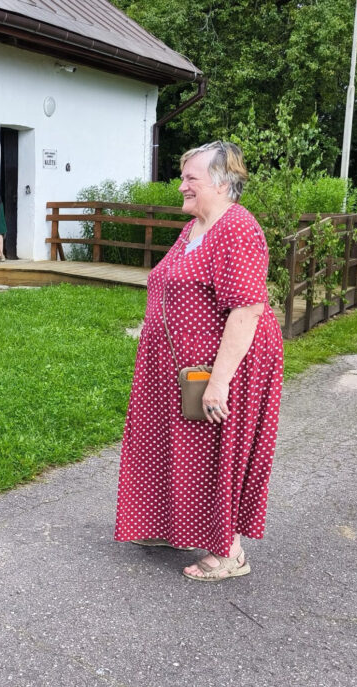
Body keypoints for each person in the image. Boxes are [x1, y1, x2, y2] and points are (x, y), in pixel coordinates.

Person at [113, 141, 284, 582]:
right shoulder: (196, 227)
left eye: (191, 178)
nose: (181, 186)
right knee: (178, 446)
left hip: (219, 368)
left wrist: (219, 382)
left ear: (222, 184)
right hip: (181, 368)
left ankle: (230, 553)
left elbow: (247, 310)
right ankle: (173, 525)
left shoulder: (237, 228)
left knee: (213, 453)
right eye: (182, 177)